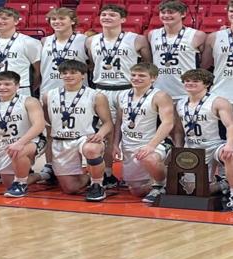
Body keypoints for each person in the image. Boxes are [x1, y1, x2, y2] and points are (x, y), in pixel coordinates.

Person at [0, 7, 42, 182]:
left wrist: (24, 87)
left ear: (16, 21)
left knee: (21, 131)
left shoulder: (29, 42)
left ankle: (25, 168)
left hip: (20, 89)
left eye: (5, 18)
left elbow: (37, 70)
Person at [87, 5, 152, 189]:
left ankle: (135, 172)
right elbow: (93, 64)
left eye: (112, 15)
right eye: (104, 14)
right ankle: (107, 173)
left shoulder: (137, 40)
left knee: (130, 131)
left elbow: (147, 65)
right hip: (101, 88)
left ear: (123, 19)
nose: (107, 17)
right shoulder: (91, 41)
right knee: (105, 133)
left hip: (126, 89)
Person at [38, 59, 115, 200]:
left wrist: (100, 134)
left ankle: (97, 184)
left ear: (83, 75)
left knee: (92, 149)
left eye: (73, 72)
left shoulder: (96, 96)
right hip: (61, 141)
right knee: (70, 188)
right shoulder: (48, 95)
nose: (68, 75)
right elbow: (47, 119)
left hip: (85, 138)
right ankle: (92, 174)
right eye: (64, 73)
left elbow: (108, 123)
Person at [174, 68, 233, 210]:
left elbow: (231, 125)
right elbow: (178, 130)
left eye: (195, 81)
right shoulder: (180, 103)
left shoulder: (218, 102)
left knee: (230, 155)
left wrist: (230, 145)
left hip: (216, 145)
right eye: (187, 81)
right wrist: (178, 149)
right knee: (192, 190)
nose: (190, 83)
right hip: (193, 147)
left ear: (206, 84)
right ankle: (223, 184)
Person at [109, 63, 176, 202]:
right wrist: (115, 144)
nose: (136, 78)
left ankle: (159, 185)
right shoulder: (123, 95)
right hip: (130, 145)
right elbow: (120, 122)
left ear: (153, 78)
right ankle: (168, 182)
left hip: (155, 143)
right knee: (136, 191)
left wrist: (151, 146)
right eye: (133, 75)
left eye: (141, 76)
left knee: (149, 158)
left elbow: (168, 123)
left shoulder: (160, 96)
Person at [0, 69, 48, 197]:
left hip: (33, 141)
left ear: (17, 86)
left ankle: (20, 184)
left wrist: (20, 143)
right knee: (9, 183)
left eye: (7, 84)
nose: (2, 87)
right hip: (6, 146)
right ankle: (42, 175)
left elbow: (39, 125)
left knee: (18, 152)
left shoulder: (29, 101)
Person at [148, 1, 206, 99]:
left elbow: (204, 63)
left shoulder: (197, 35)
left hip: (186, 92)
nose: (166, 15)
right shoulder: (152, 34)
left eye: (171, 12)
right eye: (163, 12)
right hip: (159, 91)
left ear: (183, 14)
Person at [40, 7, 89, 99]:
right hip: (49, 90)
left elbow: (92, 65)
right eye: (53, 19)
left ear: (73, 21)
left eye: (62, 18)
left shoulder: (84, 40)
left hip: (78, 91)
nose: (57, 21)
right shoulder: (44, 41)